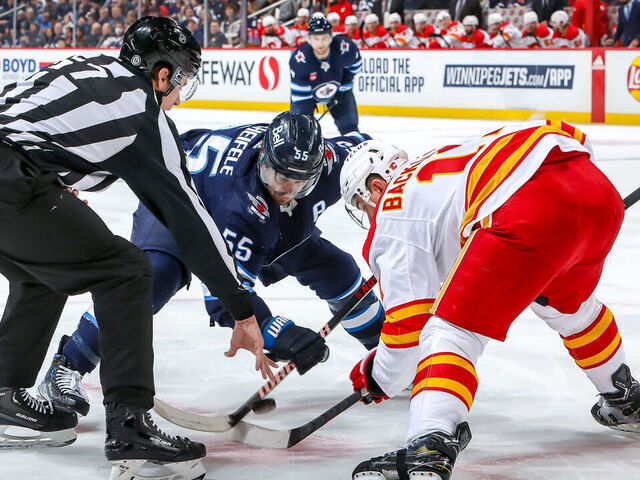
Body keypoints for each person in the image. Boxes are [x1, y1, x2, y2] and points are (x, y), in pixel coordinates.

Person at [0, 16, 270, 480]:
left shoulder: (91, 66)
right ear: (161, 74)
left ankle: (4, 392)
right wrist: (241, 309)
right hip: (11, 178)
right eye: (182, 78)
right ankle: (130, 428)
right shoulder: (141, 109)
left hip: (13, 171)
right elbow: (190, 221)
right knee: (125, 270)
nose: (180, 92)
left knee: (43, 270)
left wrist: (46, 177)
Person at [340, 121, 640, 480]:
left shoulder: (391, 211)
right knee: (568, 309)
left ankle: (428, 446)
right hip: (593, 190)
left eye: (361, 202)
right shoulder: (443, 158)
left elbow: (408, 333)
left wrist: (377, 376)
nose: (366, 212)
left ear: (376, 187)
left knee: (450, 329)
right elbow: (565, 133)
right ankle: (625, 397)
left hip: (529, 208)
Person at [38, 112, 385, 416]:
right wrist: (279, 332)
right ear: (264, 161)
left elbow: (370, 154)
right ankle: (68, 364)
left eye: (301, 182)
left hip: (258, 216)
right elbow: (224, 296)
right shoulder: (237, 203)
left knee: (335, 268)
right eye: (282, 179)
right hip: (181, 197)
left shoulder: (326, 161)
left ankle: (387, 352)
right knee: (154, 278)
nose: (289, 190)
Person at [290, 16, 362, 136]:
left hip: (339, 91)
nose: (320, 43)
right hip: (308, 95)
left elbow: (356, 64)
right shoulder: (299, 60)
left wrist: (345, 82)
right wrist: (305, 127)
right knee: (300, 133)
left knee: (351, 130)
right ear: (309, 39)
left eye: (324, 38)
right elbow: (302, 102)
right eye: (316, 39)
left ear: (331, 37)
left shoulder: (345, 48)